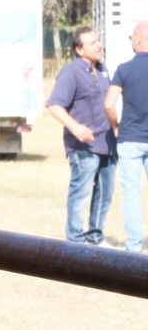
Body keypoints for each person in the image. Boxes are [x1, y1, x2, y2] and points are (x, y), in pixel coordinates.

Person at [46, 26, 116, 247]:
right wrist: (75, 127)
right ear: (79, 49)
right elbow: (54, 105)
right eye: (93, 42)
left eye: (98, 40)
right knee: (81, 192)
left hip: (108, 144)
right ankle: (75, 242)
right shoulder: (70, 72)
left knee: (105, 193)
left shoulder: (103, 70)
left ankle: (95, 237)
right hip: (83, 146)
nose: (98, 45)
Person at [105, 21, 148, 252]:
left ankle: (134, 246)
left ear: (139, 39)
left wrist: (115, 126)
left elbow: (109, 104)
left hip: (130, 138)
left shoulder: (124, 69)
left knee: (131, 196)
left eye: (131, 37)